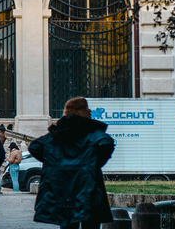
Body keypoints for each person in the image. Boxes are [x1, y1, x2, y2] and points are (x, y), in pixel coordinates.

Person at [29, 97, 115, 229]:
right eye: (87, 108)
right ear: (80, 111)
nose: (90, 110)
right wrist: (94, 163)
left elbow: (35, 147)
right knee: (91, 223)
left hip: (63, 188)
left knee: (67, 223)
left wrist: (55, 164)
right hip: (88, 186)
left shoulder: (56, 134)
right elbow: (106, 143)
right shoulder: (91, 132)